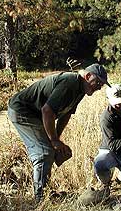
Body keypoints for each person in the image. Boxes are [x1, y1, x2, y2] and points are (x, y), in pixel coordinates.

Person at [8, 63, 110, 203]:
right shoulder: (70, 82)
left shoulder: (80, 89)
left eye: (102, 85)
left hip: (37, 114)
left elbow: (66, 114)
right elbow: (47, 110)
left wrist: (56, 139)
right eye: (98, 82)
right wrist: (53, 140)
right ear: (87, 76)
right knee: (44, 153)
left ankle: (44, 190)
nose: (99, 87)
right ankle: (40, 199)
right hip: (23, 111)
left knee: (58, 151)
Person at [93, 84, 121, 196]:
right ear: (108, 100)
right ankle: (105, 184)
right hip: (110, 151)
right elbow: (112, 145)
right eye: (115, 102)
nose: (118, 104)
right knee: (99, 163)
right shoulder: (106, 117)